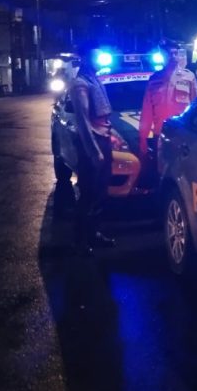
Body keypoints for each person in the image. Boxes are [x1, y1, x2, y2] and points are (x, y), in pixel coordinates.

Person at [68, 47, 116, 255]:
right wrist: (94, 151)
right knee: (88, 193)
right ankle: (80, 241)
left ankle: (94, 233)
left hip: (103, 139)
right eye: (96, 56)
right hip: (92, 144)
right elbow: (83, 121)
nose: (100, 60)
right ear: (86, 59)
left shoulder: (95, 80)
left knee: (101, 192)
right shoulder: (80, 84)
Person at [138, 40, 197, 164]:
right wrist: (143, 138)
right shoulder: (154, 80)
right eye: (169, 53)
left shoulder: (189, 77)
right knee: (159, 169)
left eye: (175, 53)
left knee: (181, 171)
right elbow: (147, 112)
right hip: (160, 135)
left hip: (181, 136)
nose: (173, 56)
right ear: (163, 56)